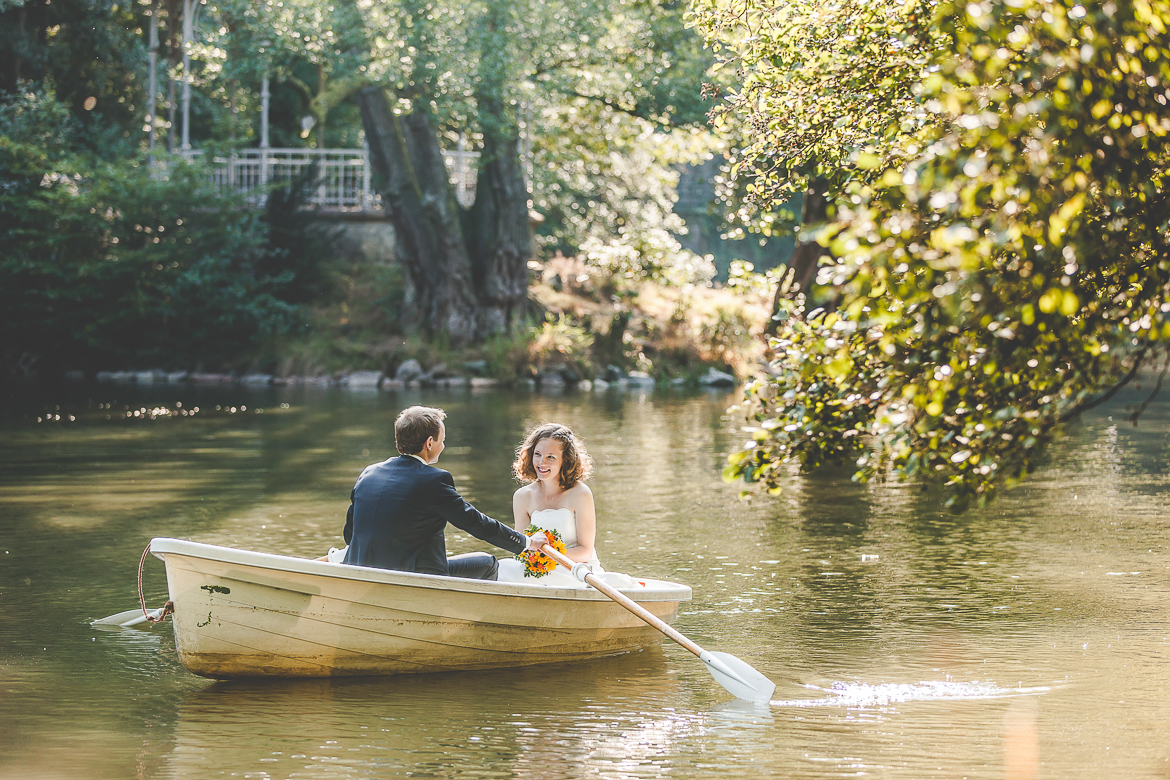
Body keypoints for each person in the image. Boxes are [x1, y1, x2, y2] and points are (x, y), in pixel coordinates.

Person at [339, 406, 547, 579]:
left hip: (359, 572)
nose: (443, 445)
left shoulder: (368, 473)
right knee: (488, 563)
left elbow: (350, 535)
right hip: (413, 579)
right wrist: (526, 543)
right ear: (429, 443)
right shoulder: (434, 480)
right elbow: (477, 524)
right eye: (442, 440)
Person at [497, 422, 606, 585]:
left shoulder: (581, 494)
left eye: (551, 457)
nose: (542, 462)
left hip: (576, 570)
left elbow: (585, 551)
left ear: (565, 460)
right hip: (538, 570)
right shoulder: (522, 496)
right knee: (499, 568)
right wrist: (536, 557)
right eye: (537, 454)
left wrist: (550, 555)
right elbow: (520, 549)